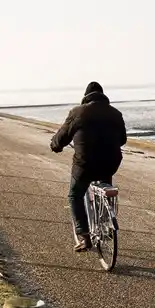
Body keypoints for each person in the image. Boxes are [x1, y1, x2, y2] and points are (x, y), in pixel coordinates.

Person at [50, 81, 127, 251]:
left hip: (85, 164)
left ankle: (84, 236)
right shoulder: (116, 113)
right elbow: (123, 140)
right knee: (104, 187)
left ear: (85, 97)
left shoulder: (77, 112)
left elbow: (62, 137)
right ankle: (106, 224)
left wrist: (55, 145)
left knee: (75, 195)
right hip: (110, 162)